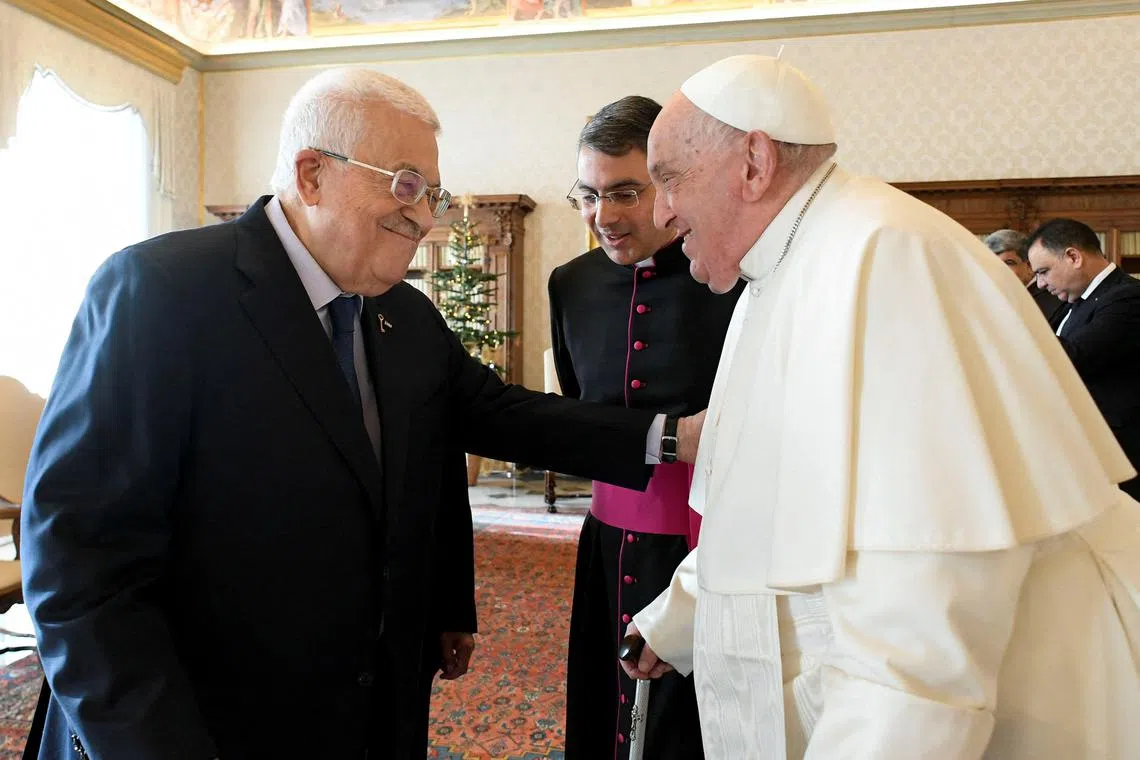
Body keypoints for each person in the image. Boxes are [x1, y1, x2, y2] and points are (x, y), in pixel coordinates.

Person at [19, 68, 701, 760]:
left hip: (375, 712)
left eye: (431, 193)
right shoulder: (161, 292)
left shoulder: (402, 314)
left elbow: (501, 415)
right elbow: (82, 568)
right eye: (405, 184)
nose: (425, 215)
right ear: (311, 174)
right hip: (212, 723)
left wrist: (674, 437)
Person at [619, 54, 1140, 759]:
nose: (660, 212)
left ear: (754, 162)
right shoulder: (783, 270)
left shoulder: (887, 260)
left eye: (669, 179)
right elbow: (769, 503)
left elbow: (923, 626)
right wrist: (680, 617)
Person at [551, 95, 739, 760]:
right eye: (587, 195)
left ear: (669, 181)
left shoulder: (731, 278)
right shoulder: (568, 284)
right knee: (606, 706)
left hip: (710, 542)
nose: (603, 216)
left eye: (624, 192)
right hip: (607, 541)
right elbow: (578, 407)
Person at [1026, 217, 1140, 499]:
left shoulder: (1128, 297)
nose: (1040, 284)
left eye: (1043, 271)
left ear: (1073, 256)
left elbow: (1073, 358)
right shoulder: (1074, 303)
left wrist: (1010, 322)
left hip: (1123, 454)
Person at [984, 228, 1065, 325]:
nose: (999, 270)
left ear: (1030, 266)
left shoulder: (1053, 298)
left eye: (1008, 263)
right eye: (993, 264)